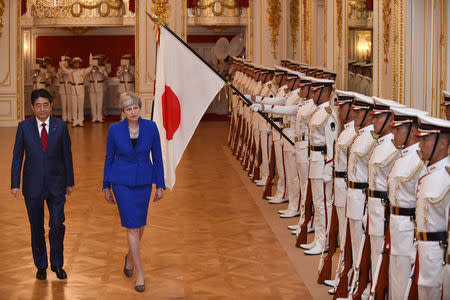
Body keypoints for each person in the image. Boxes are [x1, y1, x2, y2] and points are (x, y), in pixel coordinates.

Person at [102, 92, 165, 292]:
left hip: (144, 182)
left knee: (140, 224)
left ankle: (130, 258)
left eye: (135, 108)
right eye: (128, 109)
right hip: (121, 183)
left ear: (139, 108)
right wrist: (106, 185)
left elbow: (158, 157)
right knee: (132, 226)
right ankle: (139, 271)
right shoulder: (114, 130)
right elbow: (108, 158)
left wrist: (160, 184)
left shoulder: (151, 127)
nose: (132, 112)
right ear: (123, 112)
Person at [10, 88, 74, 280]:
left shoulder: (61, 126)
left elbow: (67, 156)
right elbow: (17, 158)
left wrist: (69, 182)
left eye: (45, 105)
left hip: (57, 185)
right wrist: (15, 184)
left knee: (57, 225)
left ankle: (57, 264)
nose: (42, 109)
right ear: (32, 107)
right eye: (38, 105)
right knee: (36, 227)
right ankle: (41, 265)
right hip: (33, 186)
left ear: (51, 106)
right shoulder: (24, 127)